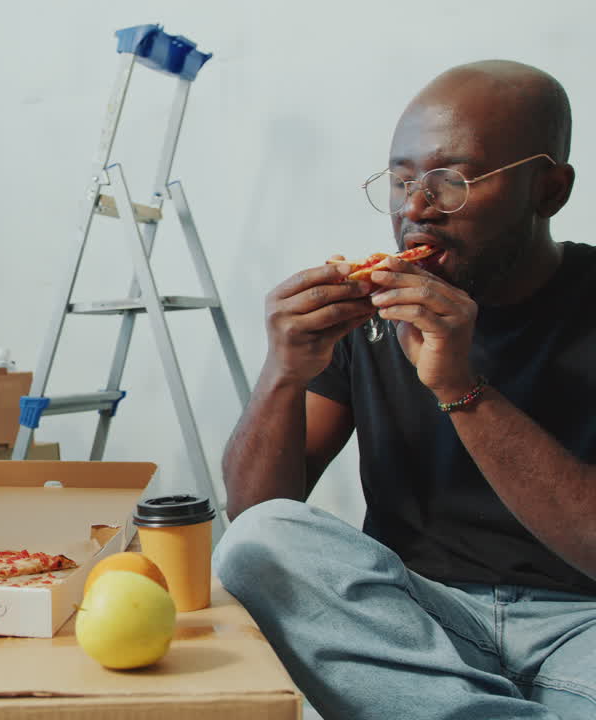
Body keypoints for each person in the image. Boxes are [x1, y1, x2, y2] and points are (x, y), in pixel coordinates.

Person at [214, 60, 596, 720]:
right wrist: (284, 372)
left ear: (548, 189)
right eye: (400, 180)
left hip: (584, 626)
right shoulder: (365, 315)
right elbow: (257, 512)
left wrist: (459, 387)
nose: (416, 208)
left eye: (453, 181)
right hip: (419, 627)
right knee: (261, 542)